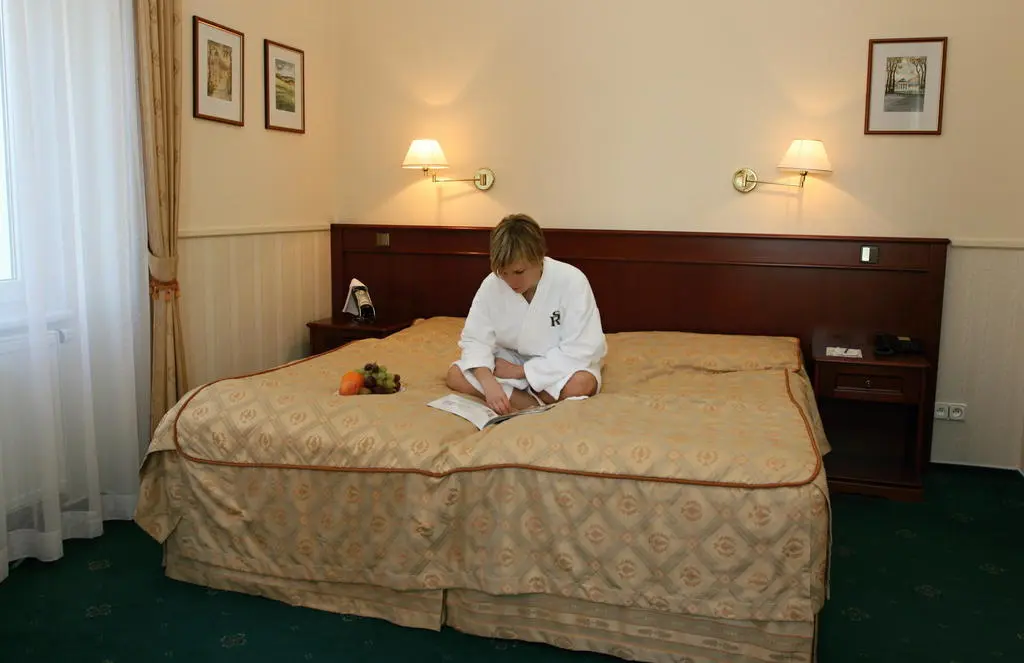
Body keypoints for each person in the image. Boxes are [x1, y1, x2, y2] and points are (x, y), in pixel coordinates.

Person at [445, 213, 607, 414]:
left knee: (582, 383)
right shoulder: (491, 285)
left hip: (557, 364)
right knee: (455, 374)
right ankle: (531, 402)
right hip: (510, 358)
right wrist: (488, 384)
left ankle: (519, 399)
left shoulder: (572, 281)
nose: (511, 281)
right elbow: (475, 340)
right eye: (503, 273)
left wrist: (520, 372)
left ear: (538, 257)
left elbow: (583, 348)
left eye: (519, 272)